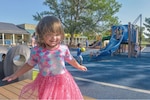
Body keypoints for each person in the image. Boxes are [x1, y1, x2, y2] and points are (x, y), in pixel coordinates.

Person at [2, 16, 87, 99]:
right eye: (49, 34)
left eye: (57, 34)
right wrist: (15, 75)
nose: (54, 38)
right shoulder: (37, 51)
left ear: (61, 34)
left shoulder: (63, 48)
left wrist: (78, 66)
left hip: (62, 80)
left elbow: (70, 59)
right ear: (42, 35)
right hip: (46, 82)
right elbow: (29, 64)